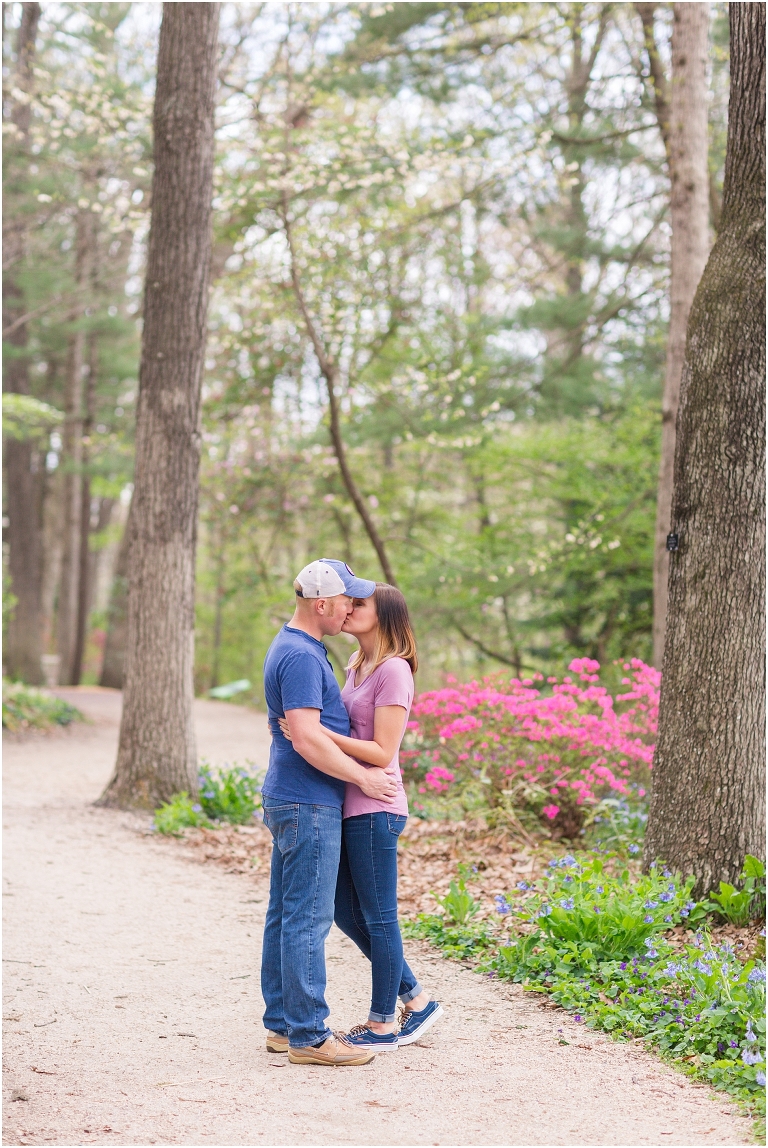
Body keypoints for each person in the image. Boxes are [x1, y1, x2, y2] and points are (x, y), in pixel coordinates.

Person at [280, 583, 443, 1051]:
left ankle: (383, 1025)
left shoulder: (394, 671)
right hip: (349, 803)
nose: (349, 609)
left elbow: (382, 749)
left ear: (385, 616)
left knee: (378, 917)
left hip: (377, 807)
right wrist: (313, 733)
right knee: (345, 913)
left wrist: (313, 735)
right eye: (348, 602)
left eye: (360, 605)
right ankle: (416, 996)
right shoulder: (356, 665)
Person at [260, 559, 399, 1067]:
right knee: (306, 919)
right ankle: (310, 1037)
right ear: (321, 604)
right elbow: (307, 737)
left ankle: (282, 1027)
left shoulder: (301, 648)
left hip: (296, 799)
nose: (351, 608)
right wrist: (364, 778)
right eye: (347, 600)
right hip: (307, 800)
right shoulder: (300, 655)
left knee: (285, 916)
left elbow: (308, 733)